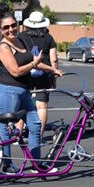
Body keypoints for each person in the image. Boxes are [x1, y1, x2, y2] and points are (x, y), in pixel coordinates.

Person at [0, 11, 62, 174]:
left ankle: (37, 164)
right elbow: (16, 71)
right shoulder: (3, 47)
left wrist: (53, 70)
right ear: (0, 30)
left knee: (34, 125)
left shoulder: (21, 40)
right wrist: (33, 64)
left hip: (24, 91)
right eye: (6, 27)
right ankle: (6, 165)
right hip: (9, 90)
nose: (11, 29)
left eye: (13, 25)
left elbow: (36, 61)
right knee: (7, 130)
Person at [18, 11, 59, 141]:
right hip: (44, 74)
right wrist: (54, 74)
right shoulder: (49, 38)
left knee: (22, 105)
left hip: (26, 71)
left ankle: (18, 135)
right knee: (42, 106)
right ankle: (38, 136)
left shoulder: (21, 36)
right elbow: (54, 59)